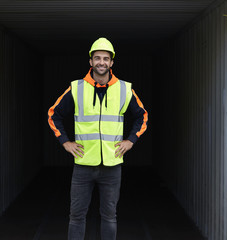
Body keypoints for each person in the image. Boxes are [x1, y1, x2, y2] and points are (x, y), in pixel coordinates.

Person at [47, 37, 148, 240]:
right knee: (76, 217)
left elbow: (142, 116)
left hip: (112, 166)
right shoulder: (76, 88)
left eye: (105, 58)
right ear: (90, 62)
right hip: (83, 164)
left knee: (109, 217)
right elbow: (53, 114)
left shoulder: (124, 89)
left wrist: (131, 141)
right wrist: (65, 142)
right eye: (97, 58)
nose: (101, 62)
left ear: (112, 63)